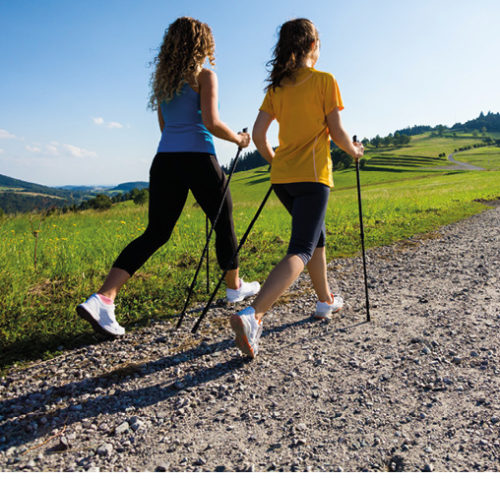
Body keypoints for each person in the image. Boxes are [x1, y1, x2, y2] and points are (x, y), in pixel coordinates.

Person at [77, 17, 260, 338]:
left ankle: (104, 298)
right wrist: (239, 140)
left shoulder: (164, 82)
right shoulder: (205, 76)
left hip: (165, 161)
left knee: (156, 232)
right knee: (225, 221)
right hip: (199, 158)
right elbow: (211, 121)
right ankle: (234, 288)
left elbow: (165, 126)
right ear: (203, 44)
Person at [229, 18, 364, 358]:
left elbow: (259, 136)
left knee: (316, 238)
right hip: (313, 177)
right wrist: (355, 151)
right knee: (301, 248)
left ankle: (325, 301)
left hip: (283, 178)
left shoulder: (276, 88)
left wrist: (276, 161)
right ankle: (253, 315)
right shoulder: (325, 81)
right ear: (313, 46)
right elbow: (336, 131)